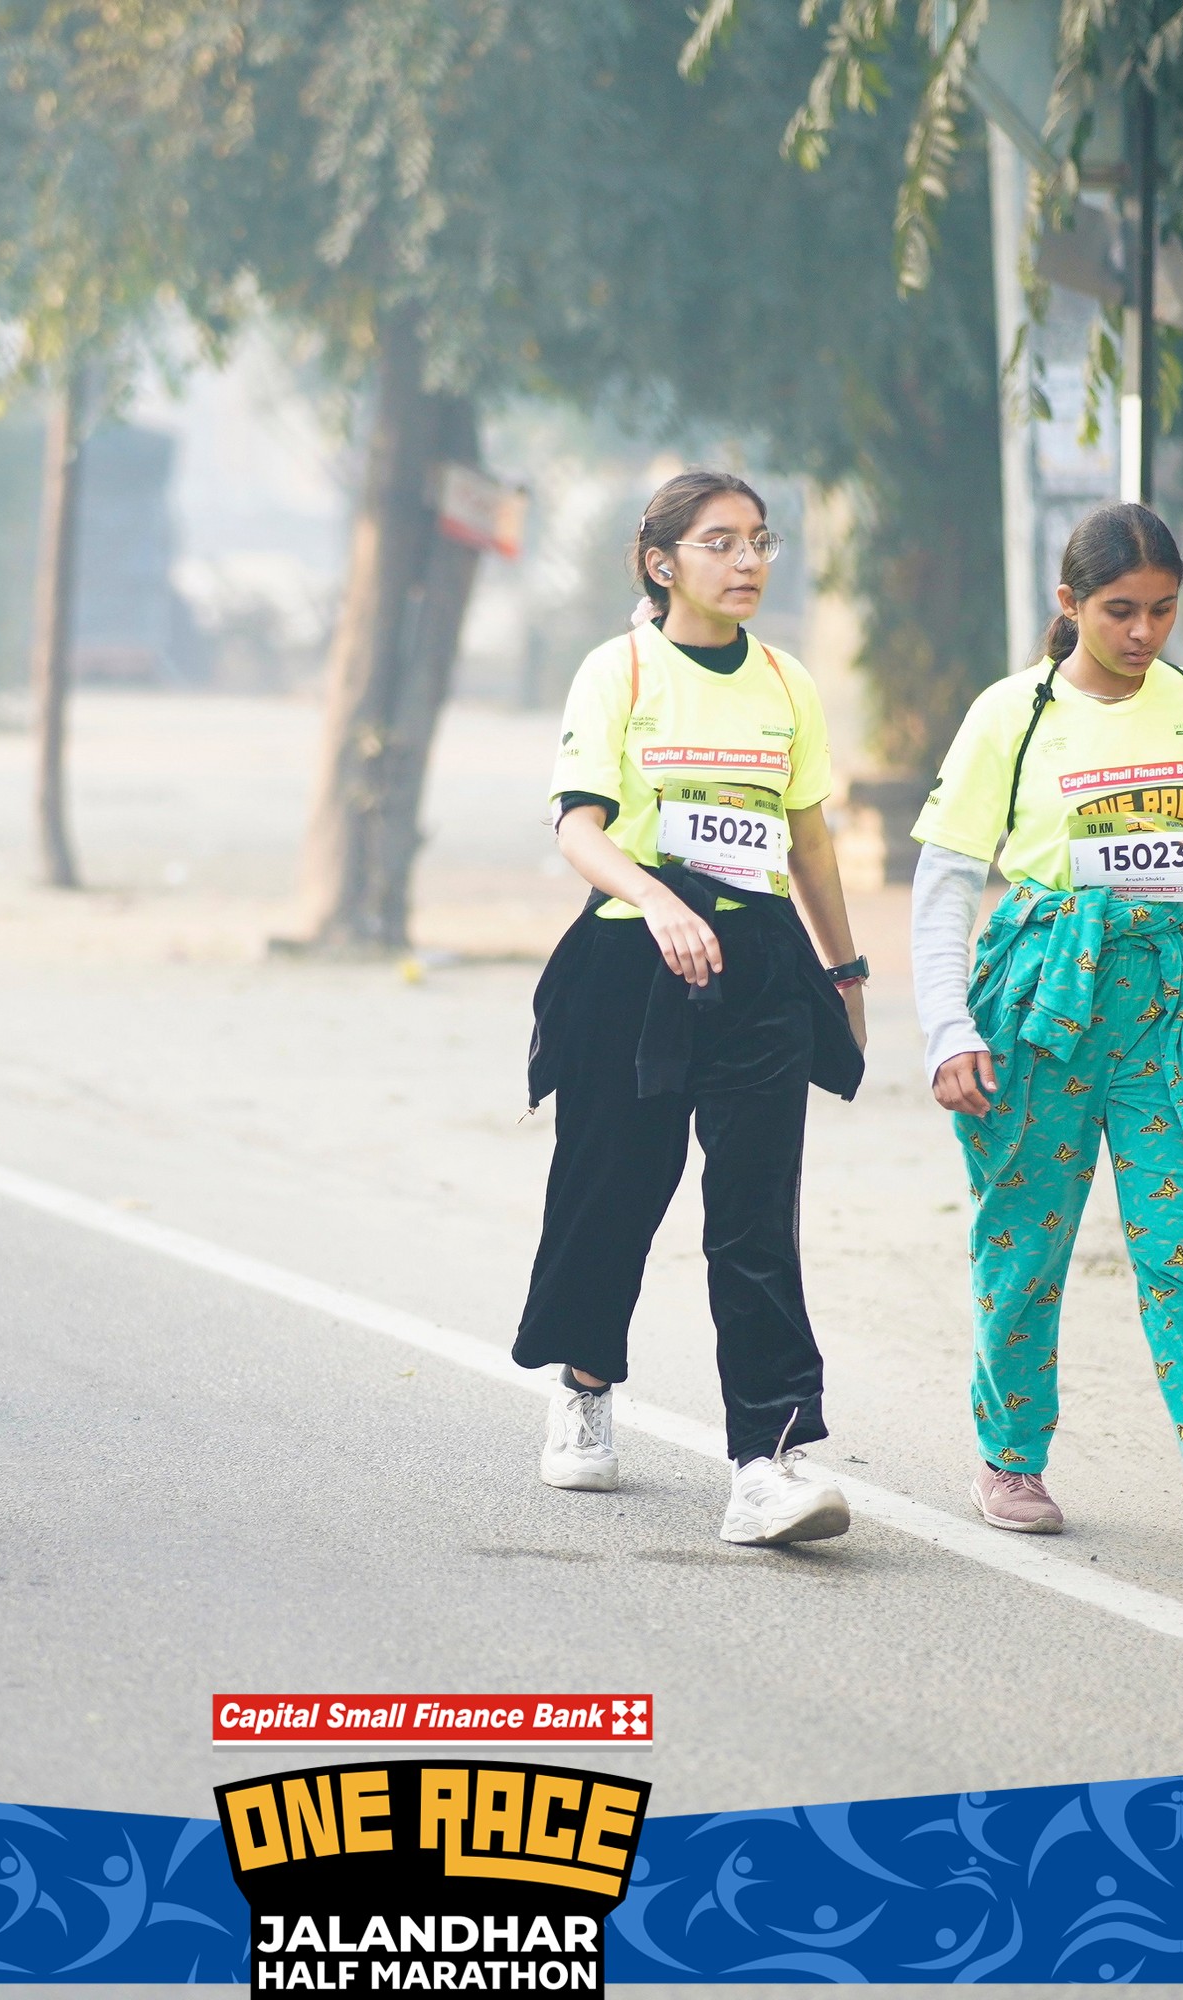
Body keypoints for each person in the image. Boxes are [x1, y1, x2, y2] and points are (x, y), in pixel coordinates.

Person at [909, 501, 1183, 1574]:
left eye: (1164, 610)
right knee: (1025, 1244)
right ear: (1071, 603)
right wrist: (947, 1028)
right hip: (1040, 999)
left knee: (1179, 1245)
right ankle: (1009, 1458)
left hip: (1169, 1004)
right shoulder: (1011, 715)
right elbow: (946, 883)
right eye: (1121, 610)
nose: (1144, 633)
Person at [515, 471, 869, 1547]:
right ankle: (584, 1383)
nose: (748, 561)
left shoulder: (786, 682)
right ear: (662, 562)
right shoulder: (617, 670)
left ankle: (769, 1458)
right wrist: (659, 902)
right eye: (721, 542)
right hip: (631, 966)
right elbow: (579, 827)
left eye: (759, 540)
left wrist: (845, 975)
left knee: (757, 1217)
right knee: (613, 1194)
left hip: (758, 968)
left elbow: (809, 840)